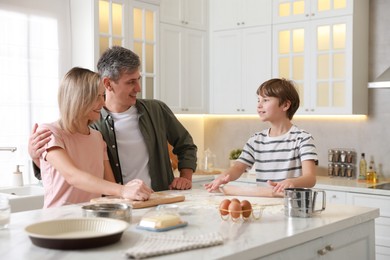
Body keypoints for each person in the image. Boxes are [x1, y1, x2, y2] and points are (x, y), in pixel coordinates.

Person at [29, 46, 197, 191]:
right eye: (130, 82)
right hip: (117, 206)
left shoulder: (156, 110)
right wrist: (36, 158)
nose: (138, 88)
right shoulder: (90, 124)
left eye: (138, 79)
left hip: (159, 200)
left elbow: (186, 144)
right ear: (108, 84)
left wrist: (185, 177)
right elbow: (68, 173)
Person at [37, 67, 153, 208]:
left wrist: (135, 193)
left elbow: (111, 189)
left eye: (102, 96)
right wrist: (123, 190)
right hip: (58, 221)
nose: (103, 103)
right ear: (78, 99)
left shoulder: (97, 137)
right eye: (97, 97)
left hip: (90, 218)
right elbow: (73, 176)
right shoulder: (50, 133)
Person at [205, 78, 318, 195]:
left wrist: (292, 182)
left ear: (285, 105)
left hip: (292, 206)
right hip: (264, 203)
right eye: (258, 100)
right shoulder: (256, 140)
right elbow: (238, 167)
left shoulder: (303, 139)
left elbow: (310, 178)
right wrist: (223, 176)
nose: (259, 105)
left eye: (265, 100)